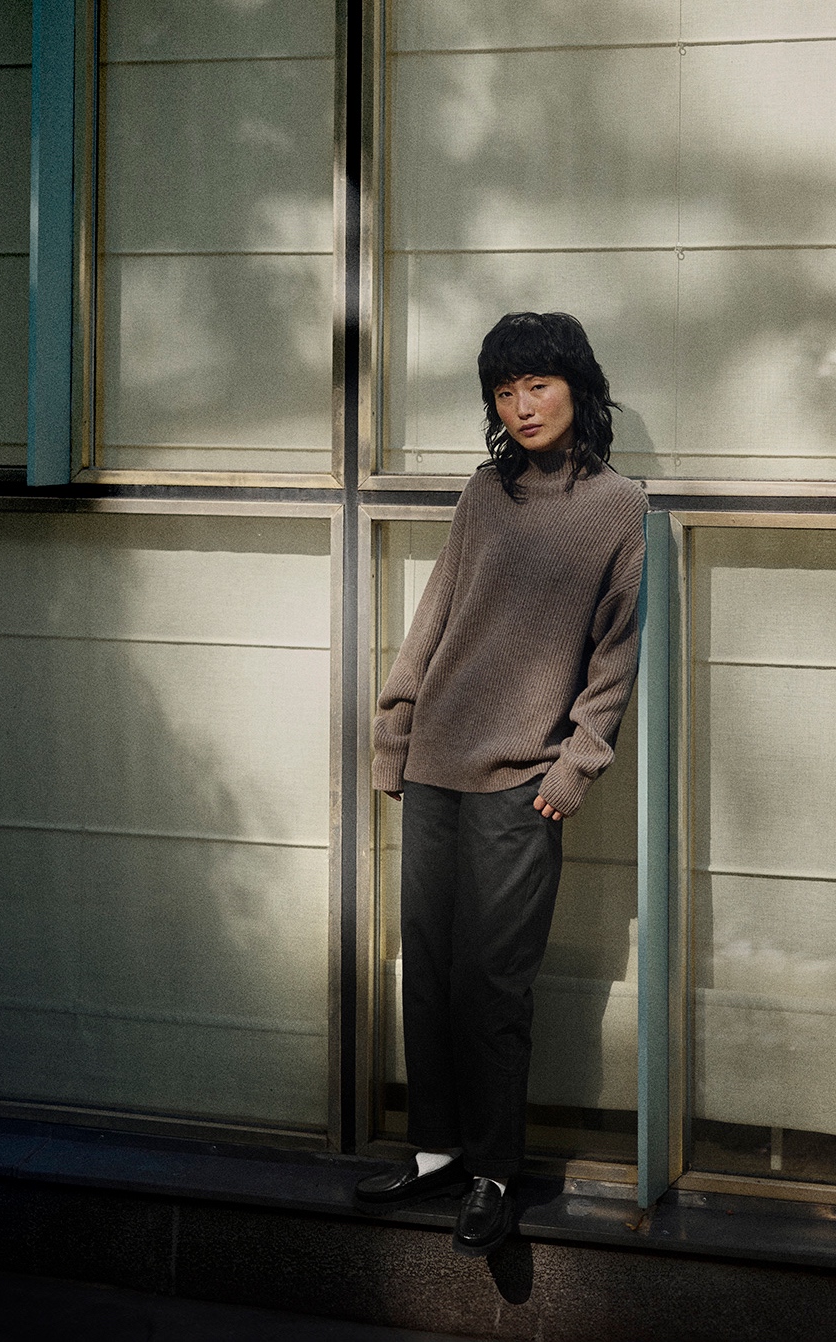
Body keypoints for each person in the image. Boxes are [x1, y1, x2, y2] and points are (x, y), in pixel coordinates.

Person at [354, 311, 648, 1257]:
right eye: (505, 392)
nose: (522, 407)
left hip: (523, 782)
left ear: (578, 389)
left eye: (539, 386)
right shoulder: (485, 494)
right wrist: (394, 730)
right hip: (436, 766)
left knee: (495, 983)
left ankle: (492, 1174)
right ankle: (436, 1154)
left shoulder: (618, 508)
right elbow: (434, 615)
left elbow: (615, 655)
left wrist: (577, 764)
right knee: (431, 971)